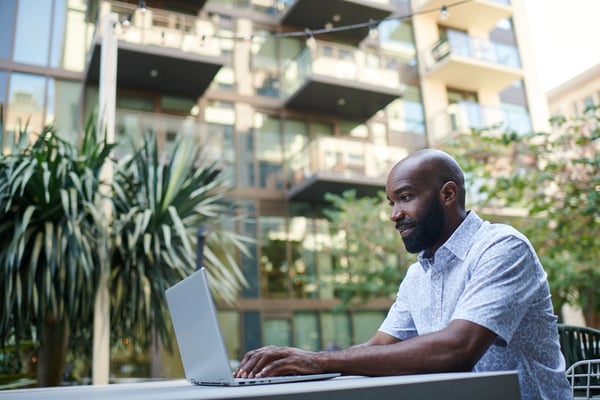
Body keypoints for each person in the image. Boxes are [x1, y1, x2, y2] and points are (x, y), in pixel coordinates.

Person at [234, 149, 571, 400]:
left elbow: (457, 350)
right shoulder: (417, 276)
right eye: (391, 203)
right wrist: (293, 368)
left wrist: (320, 361)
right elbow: (377, 348)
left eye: (406, 198)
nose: (395, 215)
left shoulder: (502, 248)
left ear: (448, 194)